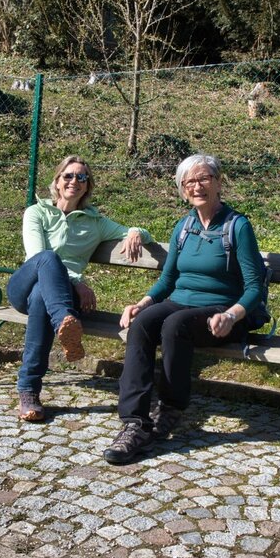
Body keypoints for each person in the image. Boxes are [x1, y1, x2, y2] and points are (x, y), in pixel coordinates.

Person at [104, 154, 265, 464]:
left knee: (174, 324)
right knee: (142, 323)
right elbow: (168, 279)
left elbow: (254, 286)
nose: (197, 186)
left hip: (221, 312)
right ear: (182, 189)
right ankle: (134, 424)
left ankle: (170, 408)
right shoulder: (184, 226)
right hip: (180, 304)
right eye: (189, 181)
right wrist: (142, 303)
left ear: (219, 183)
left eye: (204, 178)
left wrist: (232, 315)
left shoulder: (238, 226)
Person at [7, 155, 152, 422]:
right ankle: (64, 319)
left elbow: (142, 232)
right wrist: (76, 282)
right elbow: (36, 256)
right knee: (47, 263)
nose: (75, 181)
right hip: (24, 287)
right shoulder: (36, 212)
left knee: (43, 297)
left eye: (81, 177)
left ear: (87, 186)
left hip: (50, 297)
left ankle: (29, 391)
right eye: (69, 176)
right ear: (58, 181)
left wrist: (135, 232)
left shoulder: (94, 222)